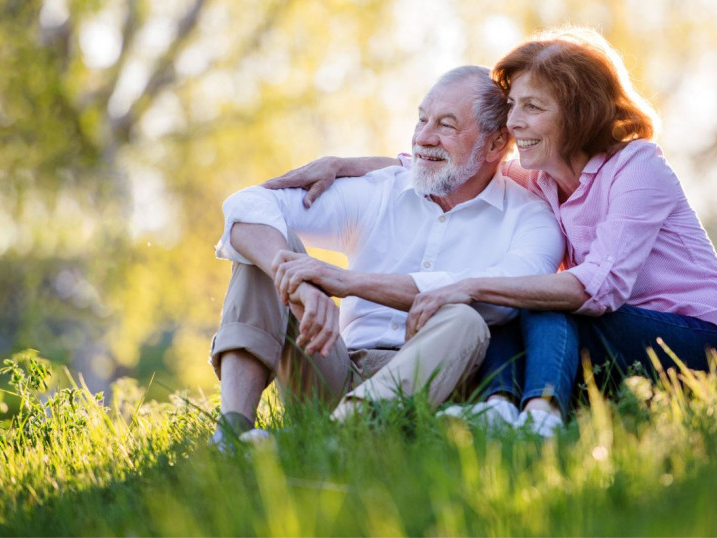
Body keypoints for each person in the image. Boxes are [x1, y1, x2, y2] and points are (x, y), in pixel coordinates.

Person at [264, 27, 717, 438]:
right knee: (512, 297)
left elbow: (598, 288)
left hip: (712, 342)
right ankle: (500, 408)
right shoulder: (544, 178)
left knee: (531, 296)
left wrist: (471, 285)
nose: (514, 122)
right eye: (513, 106)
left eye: (532, 107)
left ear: (579, 111)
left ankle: (539, 417)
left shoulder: (638, 169)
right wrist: (344, 163)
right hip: (622, 343)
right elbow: (456, 164)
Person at [210, 65, 564, 449]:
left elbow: (509, 290)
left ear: (495, 145)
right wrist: (300, 284)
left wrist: (343, 282)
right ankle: (232, 434)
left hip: (434, 380)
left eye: (446, 125)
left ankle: (337, 436)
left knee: (466, 317)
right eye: (422, 119)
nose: (424, 138)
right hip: (333, 365)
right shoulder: (381, 191)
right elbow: (247, 204)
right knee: (266, 254)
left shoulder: (529, 217)